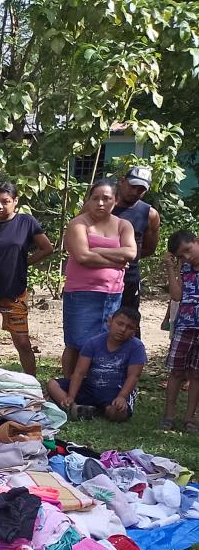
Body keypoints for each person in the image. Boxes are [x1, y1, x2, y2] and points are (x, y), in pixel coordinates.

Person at [0, 181, 54, 375]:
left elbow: (47, 248)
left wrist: (25, 262)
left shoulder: (26, 222)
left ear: (15, 201)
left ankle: (31, 383)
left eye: (5, 201)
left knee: (22, 341)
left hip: (14, 292)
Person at [60, 178, 137, 377]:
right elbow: (83, 256)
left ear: (116, 200)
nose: (100, 203)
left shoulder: (123, 225)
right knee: (75, 343)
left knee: (104, 342)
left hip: (112, 294)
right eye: (95, 198)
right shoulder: (78, 223)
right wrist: (115, 261)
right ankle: (69, 388)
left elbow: (130, 252)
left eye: (106, 198)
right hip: (81, 294)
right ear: (88, 200)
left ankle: (94, 384)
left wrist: (98, 249)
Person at [47, 306, 145, 422]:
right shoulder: (93, 343)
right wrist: (71, 396)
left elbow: (133, 376)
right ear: (110, 322)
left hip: (116, 391)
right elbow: (79, 372)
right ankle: (74, 408)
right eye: (120, 324)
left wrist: (122, 397)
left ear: (135, 331)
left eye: (129, 327)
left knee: (118, 414)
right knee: (52, 384)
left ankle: (103, 410)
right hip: (91, 388)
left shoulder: (136, 347)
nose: (123, 329)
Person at [162, 230, 199, 431]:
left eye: (187, 250)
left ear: (196, 241)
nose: (186, 257)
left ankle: (190, 419)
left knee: (197, 375)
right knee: (177, 371)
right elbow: (176, 296)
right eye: (180, 256)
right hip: (185, 325)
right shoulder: (185, 269)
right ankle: (169, 415)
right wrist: (170, 266)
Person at [112, 166, 161, 311]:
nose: (135, 192)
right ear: (122, 182)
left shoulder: (150, 214)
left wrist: (128, 256)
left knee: (127, 323)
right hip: (96, 276)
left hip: (129, 279)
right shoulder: (103, 205)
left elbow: (149, 248)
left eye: (141, 189)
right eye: (132, 186)